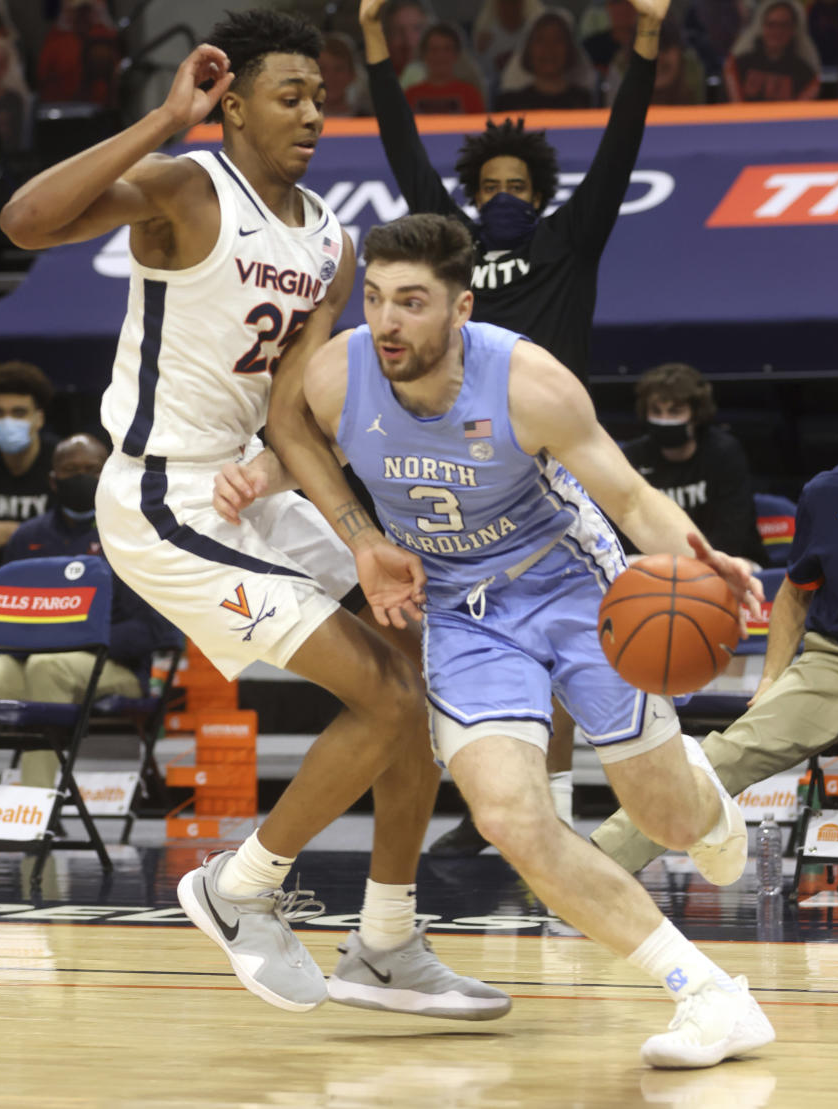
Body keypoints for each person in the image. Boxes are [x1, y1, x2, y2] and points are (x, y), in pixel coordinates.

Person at [0, 8, 508, 1020]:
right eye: (291, 95)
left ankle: (386, 942)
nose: (315, 113)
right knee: (386, 697)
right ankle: (239, 889)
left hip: (243, 482)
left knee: (416, 669)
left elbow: (290, 415)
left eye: (321, 96)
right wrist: (162, 119)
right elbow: (24, 221)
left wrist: (364, 541)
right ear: (231, 105)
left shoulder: (329, 237)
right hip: (159, 491)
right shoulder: (189, 188)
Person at [221, 213, 775, 1068]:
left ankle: (696, 794)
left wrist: (698, 555)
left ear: (461, 308)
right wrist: (270, 475)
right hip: (463, 612)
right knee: (511, 815)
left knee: (665, 817)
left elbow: (628, 500)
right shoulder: (341, 374)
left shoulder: (528, 382)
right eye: (374, 299)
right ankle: (706, 993)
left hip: (574, 589)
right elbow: (307, 448)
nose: (388, 322)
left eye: (412, 302)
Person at [361, 0, 666, 853]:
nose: (501, 198)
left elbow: (620, 146)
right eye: (489, 187)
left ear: (540, 196)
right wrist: (377, 43)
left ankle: (554, 815)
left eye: (516, 188)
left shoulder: (570, 243)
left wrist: (645, 41)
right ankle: (497, 791)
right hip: (445, 464)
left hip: (545, 465)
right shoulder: (448, 250)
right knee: (455, 635)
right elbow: (402, 148)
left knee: (562, 633)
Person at [592, 345, 838, 925]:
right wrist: (774, 675)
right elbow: (795, 592)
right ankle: (597, 861)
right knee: (727, 751)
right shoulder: (827, 493)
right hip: (836, 667)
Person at [0, 432, 176, 788]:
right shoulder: (27, 537)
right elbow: (6, 620)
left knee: (48, 667)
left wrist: (78, 640)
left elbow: (152, 629)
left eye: (91, 468)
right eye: (71, 469)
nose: (81, 476)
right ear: (53, 480)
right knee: (1, 674)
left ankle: (36, 818)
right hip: (28, 662)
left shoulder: (135, 535)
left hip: (116, 669)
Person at [618, 363, 767, 565]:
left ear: (696, 416)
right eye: (656, 411)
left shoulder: (724, 453)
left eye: (674, 412)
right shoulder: (632, 456)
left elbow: (733, 534)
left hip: (727, 561)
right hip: (656, 566)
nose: (664, 420)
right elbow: (624, 531)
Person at [0, 361, 57, 573]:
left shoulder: (62, 465)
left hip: (50, 579)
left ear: (38, 419)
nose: (7, 421)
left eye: (19, 413)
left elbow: (79, 534)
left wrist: (16, 533)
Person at [495, 8, 598, 110]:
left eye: (557, 39)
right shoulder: (509, 103)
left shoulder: (584, 102)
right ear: (528, 49)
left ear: (569, 48)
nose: (549, 49)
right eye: (540, 40)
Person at [724, 0, 821, 102]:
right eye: (771, 24)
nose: (777, 31)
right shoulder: (738, 65)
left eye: (784, 25)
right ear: (762, 26)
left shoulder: (806, 74)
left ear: (793, 29)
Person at [405, 23, 486, 115]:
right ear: (424, 54)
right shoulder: (410, 95)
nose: (440, 56)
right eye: (434, 49)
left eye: (447, 49)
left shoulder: (470, 94)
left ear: (456, 54)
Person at [317, 33, 371, 118]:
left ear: (352, 74)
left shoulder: (366, 119)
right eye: (322, 69)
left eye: (339, 69)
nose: (330, 77)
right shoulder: (301, 122)